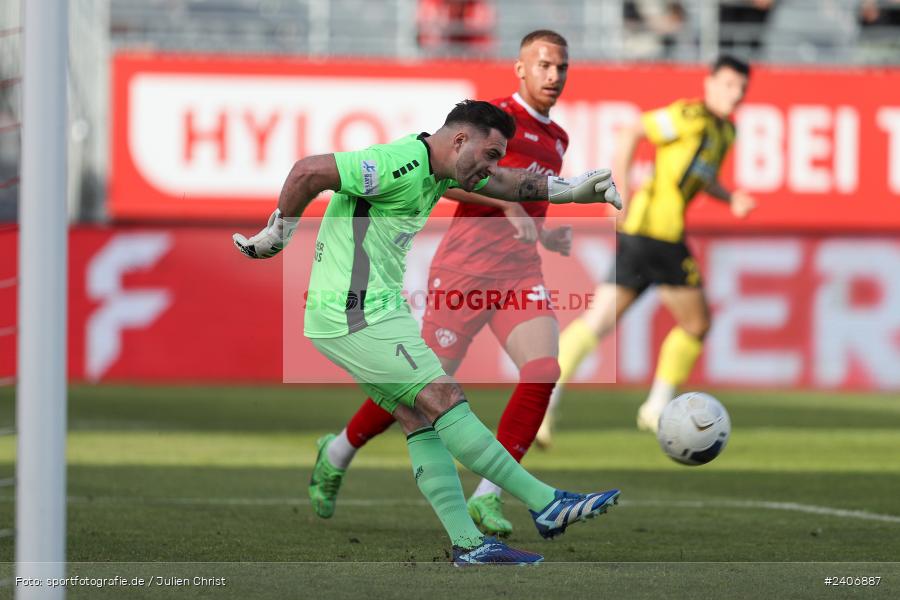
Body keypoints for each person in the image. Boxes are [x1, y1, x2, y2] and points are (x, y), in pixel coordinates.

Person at [233, 99, 622, 565]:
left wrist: (571, 189)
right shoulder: (398, 163)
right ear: (459, 140)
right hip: (352, 313)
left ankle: (468, 545)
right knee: (444, 397)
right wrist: (278, 234)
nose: (492, 167)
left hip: (379, 310)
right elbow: (308, 171)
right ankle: (546, 502)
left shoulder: (441, 171)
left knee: (417, 418)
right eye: (490, 154)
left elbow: (507, 183)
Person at [307, 29, 575, 539]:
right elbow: (448, 180)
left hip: (519, 271)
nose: (553, 76)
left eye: (561, 67)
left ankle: (488, 495)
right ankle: (338, 450)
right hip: (465, 270)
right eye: (543, 65)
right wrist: (508, 205)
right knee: (422, 391)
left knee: (543, 369)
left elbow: (529, 201)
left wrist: (544, 231)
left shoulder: (558, 138)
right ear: (520, 69)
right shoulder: (491, 123)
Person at [538, 55, 756, 446]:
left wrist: (730, 197)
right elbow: (632, 131)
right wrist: (618, 187)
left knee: (598, 320)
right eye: (728, 85)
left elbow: (702, 177)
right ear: (709, 84)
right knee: (697, 324)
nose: (735, 94)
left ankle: (543, 402)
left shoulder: (725, 132)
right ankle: (655, 407)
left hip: (644, 236)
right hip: (658, 235)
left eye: (741, 88)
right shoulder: (689, 115)